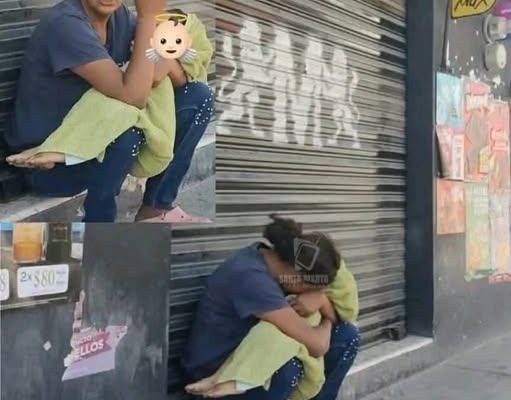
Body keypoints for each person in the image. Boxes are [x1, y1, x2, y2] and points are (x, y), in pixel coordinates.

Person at [5, 0, 214, 223]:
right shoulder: (65, 25)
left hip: (96, 141)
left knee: (198, 96)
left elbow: (166, 77)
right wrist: (147, 19)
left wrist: (164, 56)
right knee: (127, 131)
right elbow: (134, 96)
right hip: (50, 168)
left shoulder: (118, 16)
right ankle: (99, 223)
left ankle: (156, 208)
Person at [182, 215, 360, 400]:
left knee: (347, 335)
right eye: (312, 288)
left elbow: (339, 319)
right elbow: (317, 346)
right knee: (288, 368)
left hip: (250, 356)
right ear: (296, 276)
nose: (311, 293)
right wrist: (326, 317)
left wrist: (322, 301)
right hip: (217, 373)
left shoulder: (270, 259)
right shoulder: (252, 279)